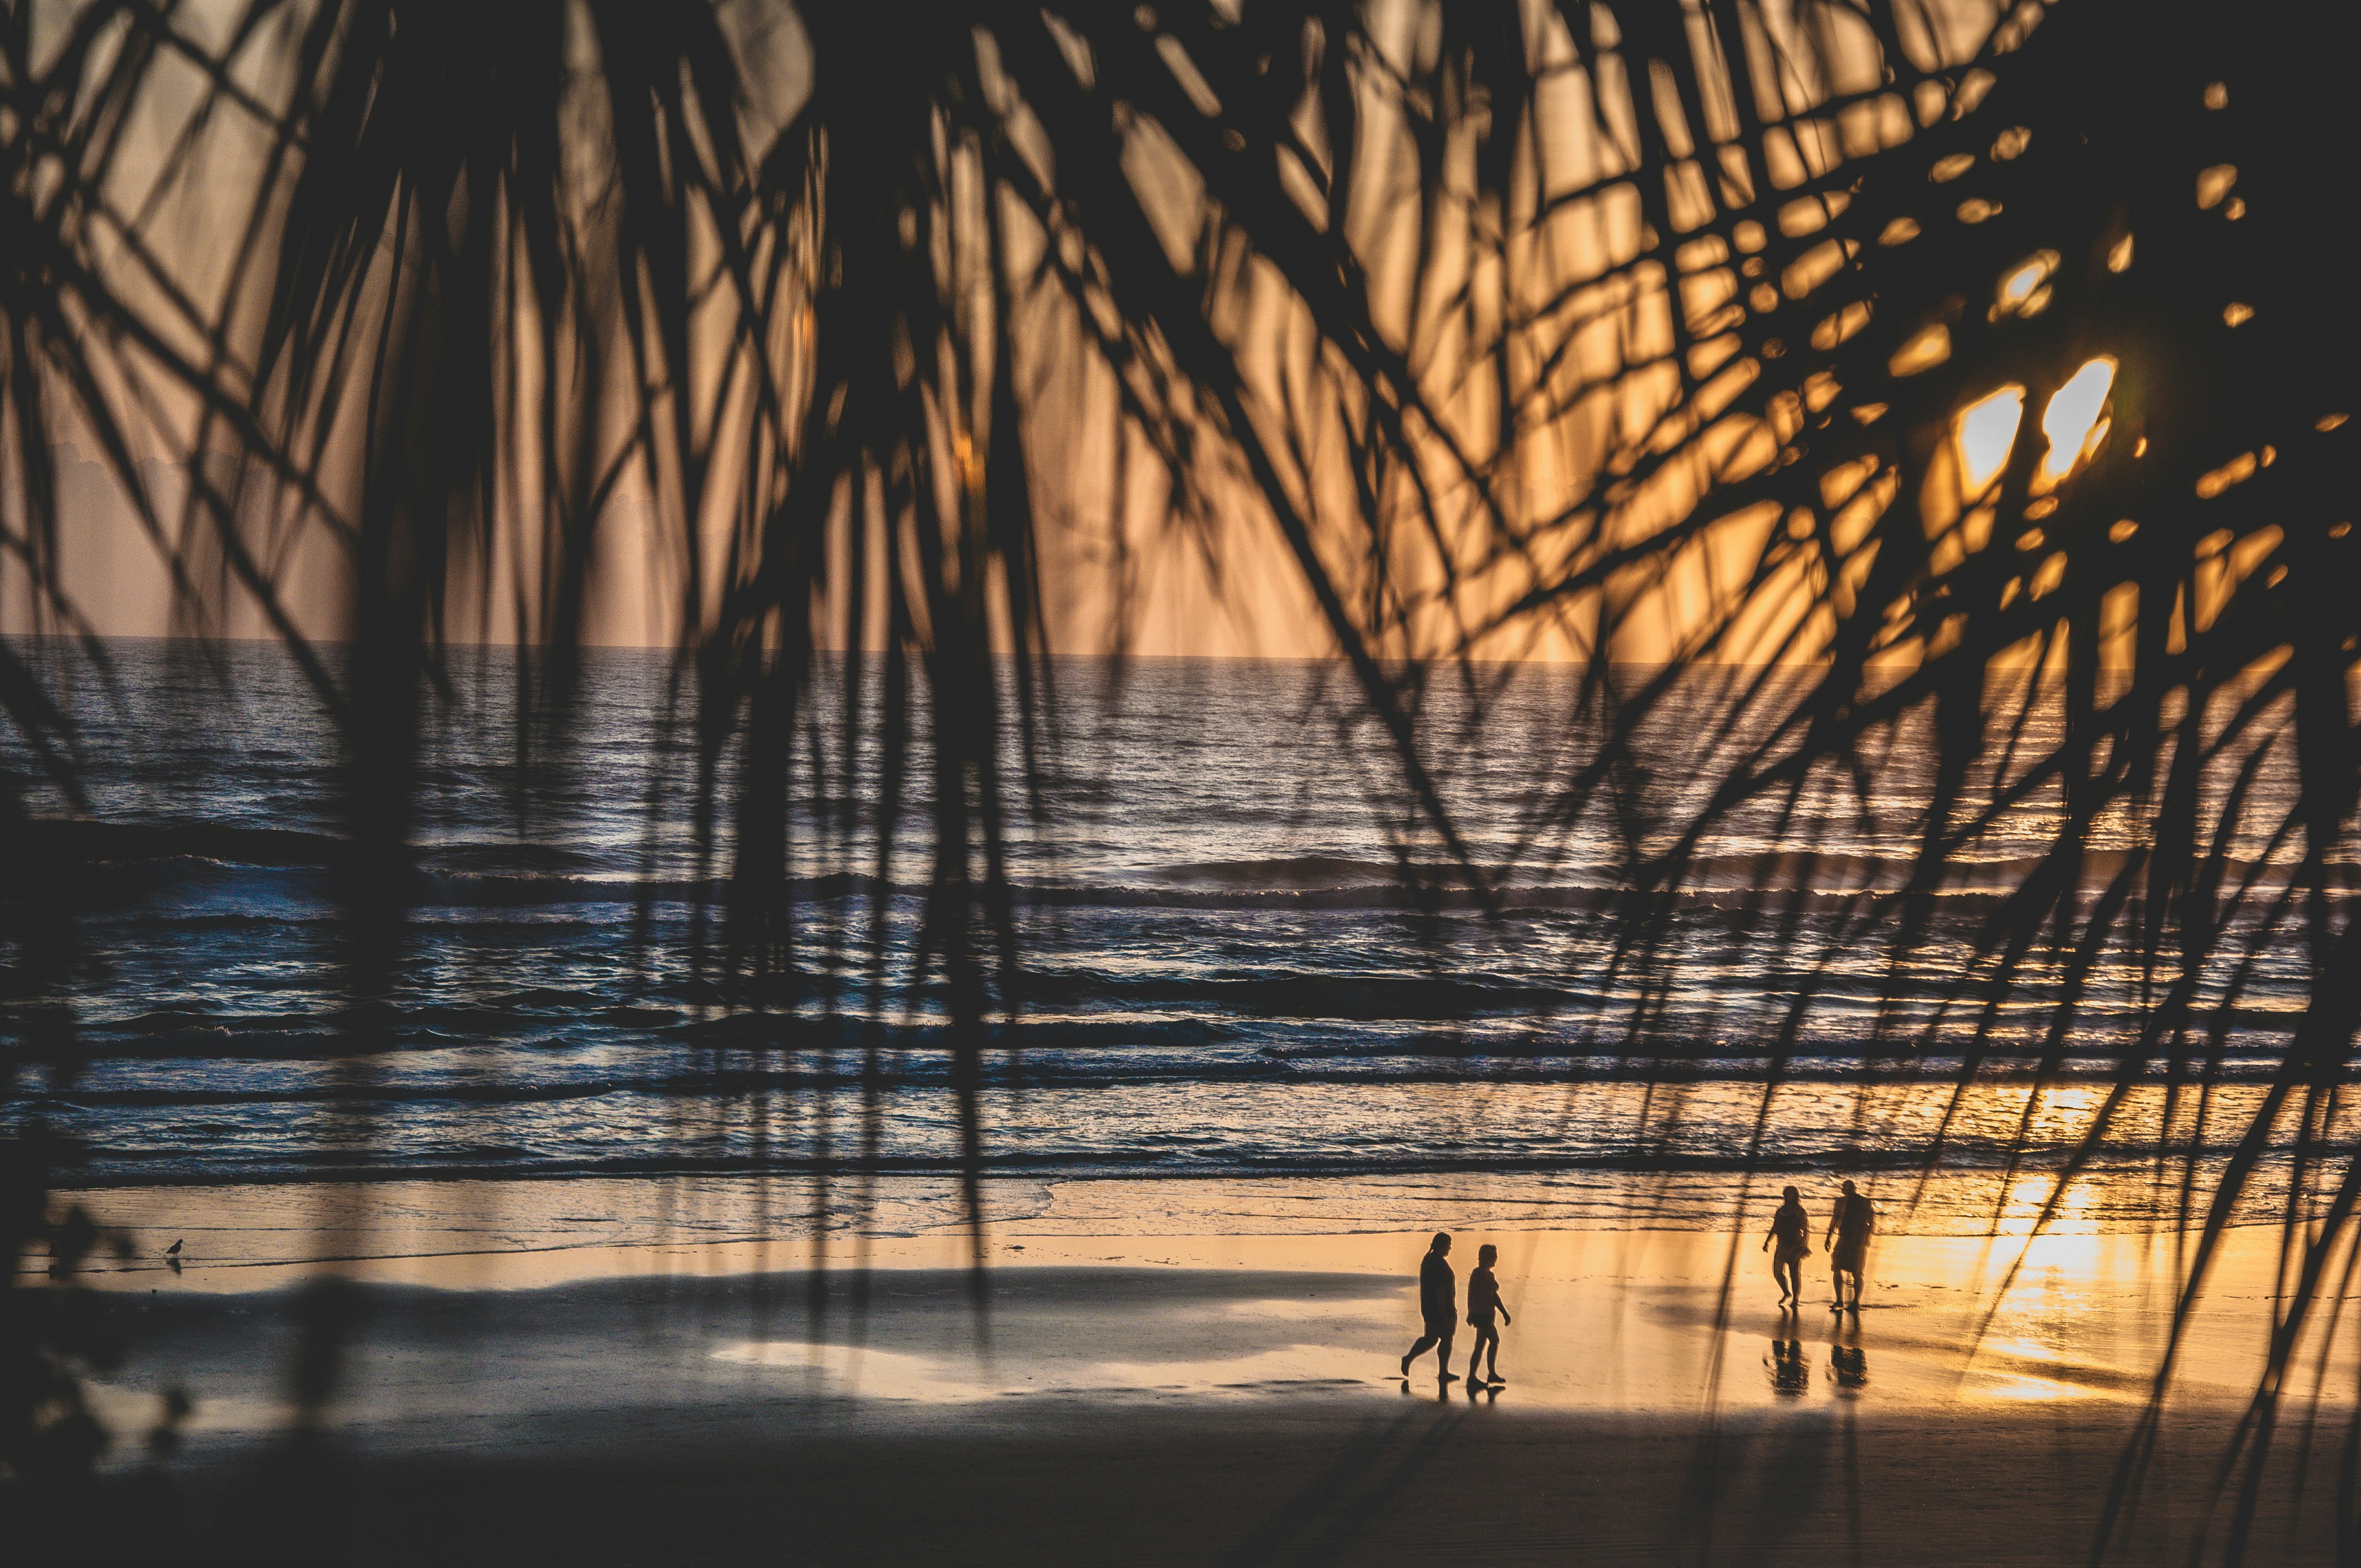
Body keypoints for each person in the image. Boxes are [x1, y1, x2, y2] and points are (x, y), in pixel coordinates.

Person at [1399, 1232, 1458, 1380]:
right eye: (1448, 1246)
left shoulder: (1428, 1259)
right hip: (1440, 1308)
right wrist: (1444, 1312)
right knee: (1446, 1338)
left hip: (1428, 1307)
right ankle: (1443, 1372)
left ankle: (1409, 1359)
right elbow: (1440, 1289)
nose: (1450, 1248)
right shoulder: (1437, 1263)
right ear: (1442, 1246)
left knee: (1431, 1338)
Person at [1464, 1243, 1511, 1386]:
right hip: (1484, 1316)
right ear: (1489, 1258)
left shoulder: (1478, 1273)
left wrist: (1470, 1312)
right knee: (1494, 1341)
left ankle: (1476, 1376)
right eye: (1494, 1256)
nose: (1496, 1258)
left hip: (1479, 1314)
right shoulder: (1486, 1275)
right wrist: (1505, 1313)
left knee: (1480, 1346)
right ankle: (1487, 1374)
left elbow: (1472, 1295)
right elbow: (1493, 1297)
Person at [1825, 1180, 1876, 1311]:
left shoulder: (1864, 1202)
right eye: (1845, 1188)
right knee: (1836, 1269)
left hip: (1858, 1241)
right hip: (1843, 1239)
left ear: (1854, 1189)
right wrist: (1828, 1238)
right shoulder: (1840, 1202)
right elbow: (1835, 1221)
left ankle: (1856, 1302)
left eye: (1849, 1188)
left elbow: (1871, 1222)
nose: (1846, 1190)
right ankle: (1839, 1300)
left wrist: (1867, 1238)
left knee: (1857, 1272)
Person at [1762, 1185, 1810, 1305]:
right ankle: (1786, 1292)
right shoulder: (1780, 1212)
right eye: (1787, 1194)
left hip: (1796, 1246)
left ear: (1795, 1196)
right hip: (1782, 1246)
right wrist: (1767, 1242)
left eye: (1791, 1194)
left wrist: (1804, 1246)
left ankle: (1795, 1299)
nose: (1789, 1196)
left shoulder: (1800, 1212)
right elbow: (1775, 1228)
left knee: (1794, 1274)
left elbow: (1806, 1230)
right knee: (1777, 1272)